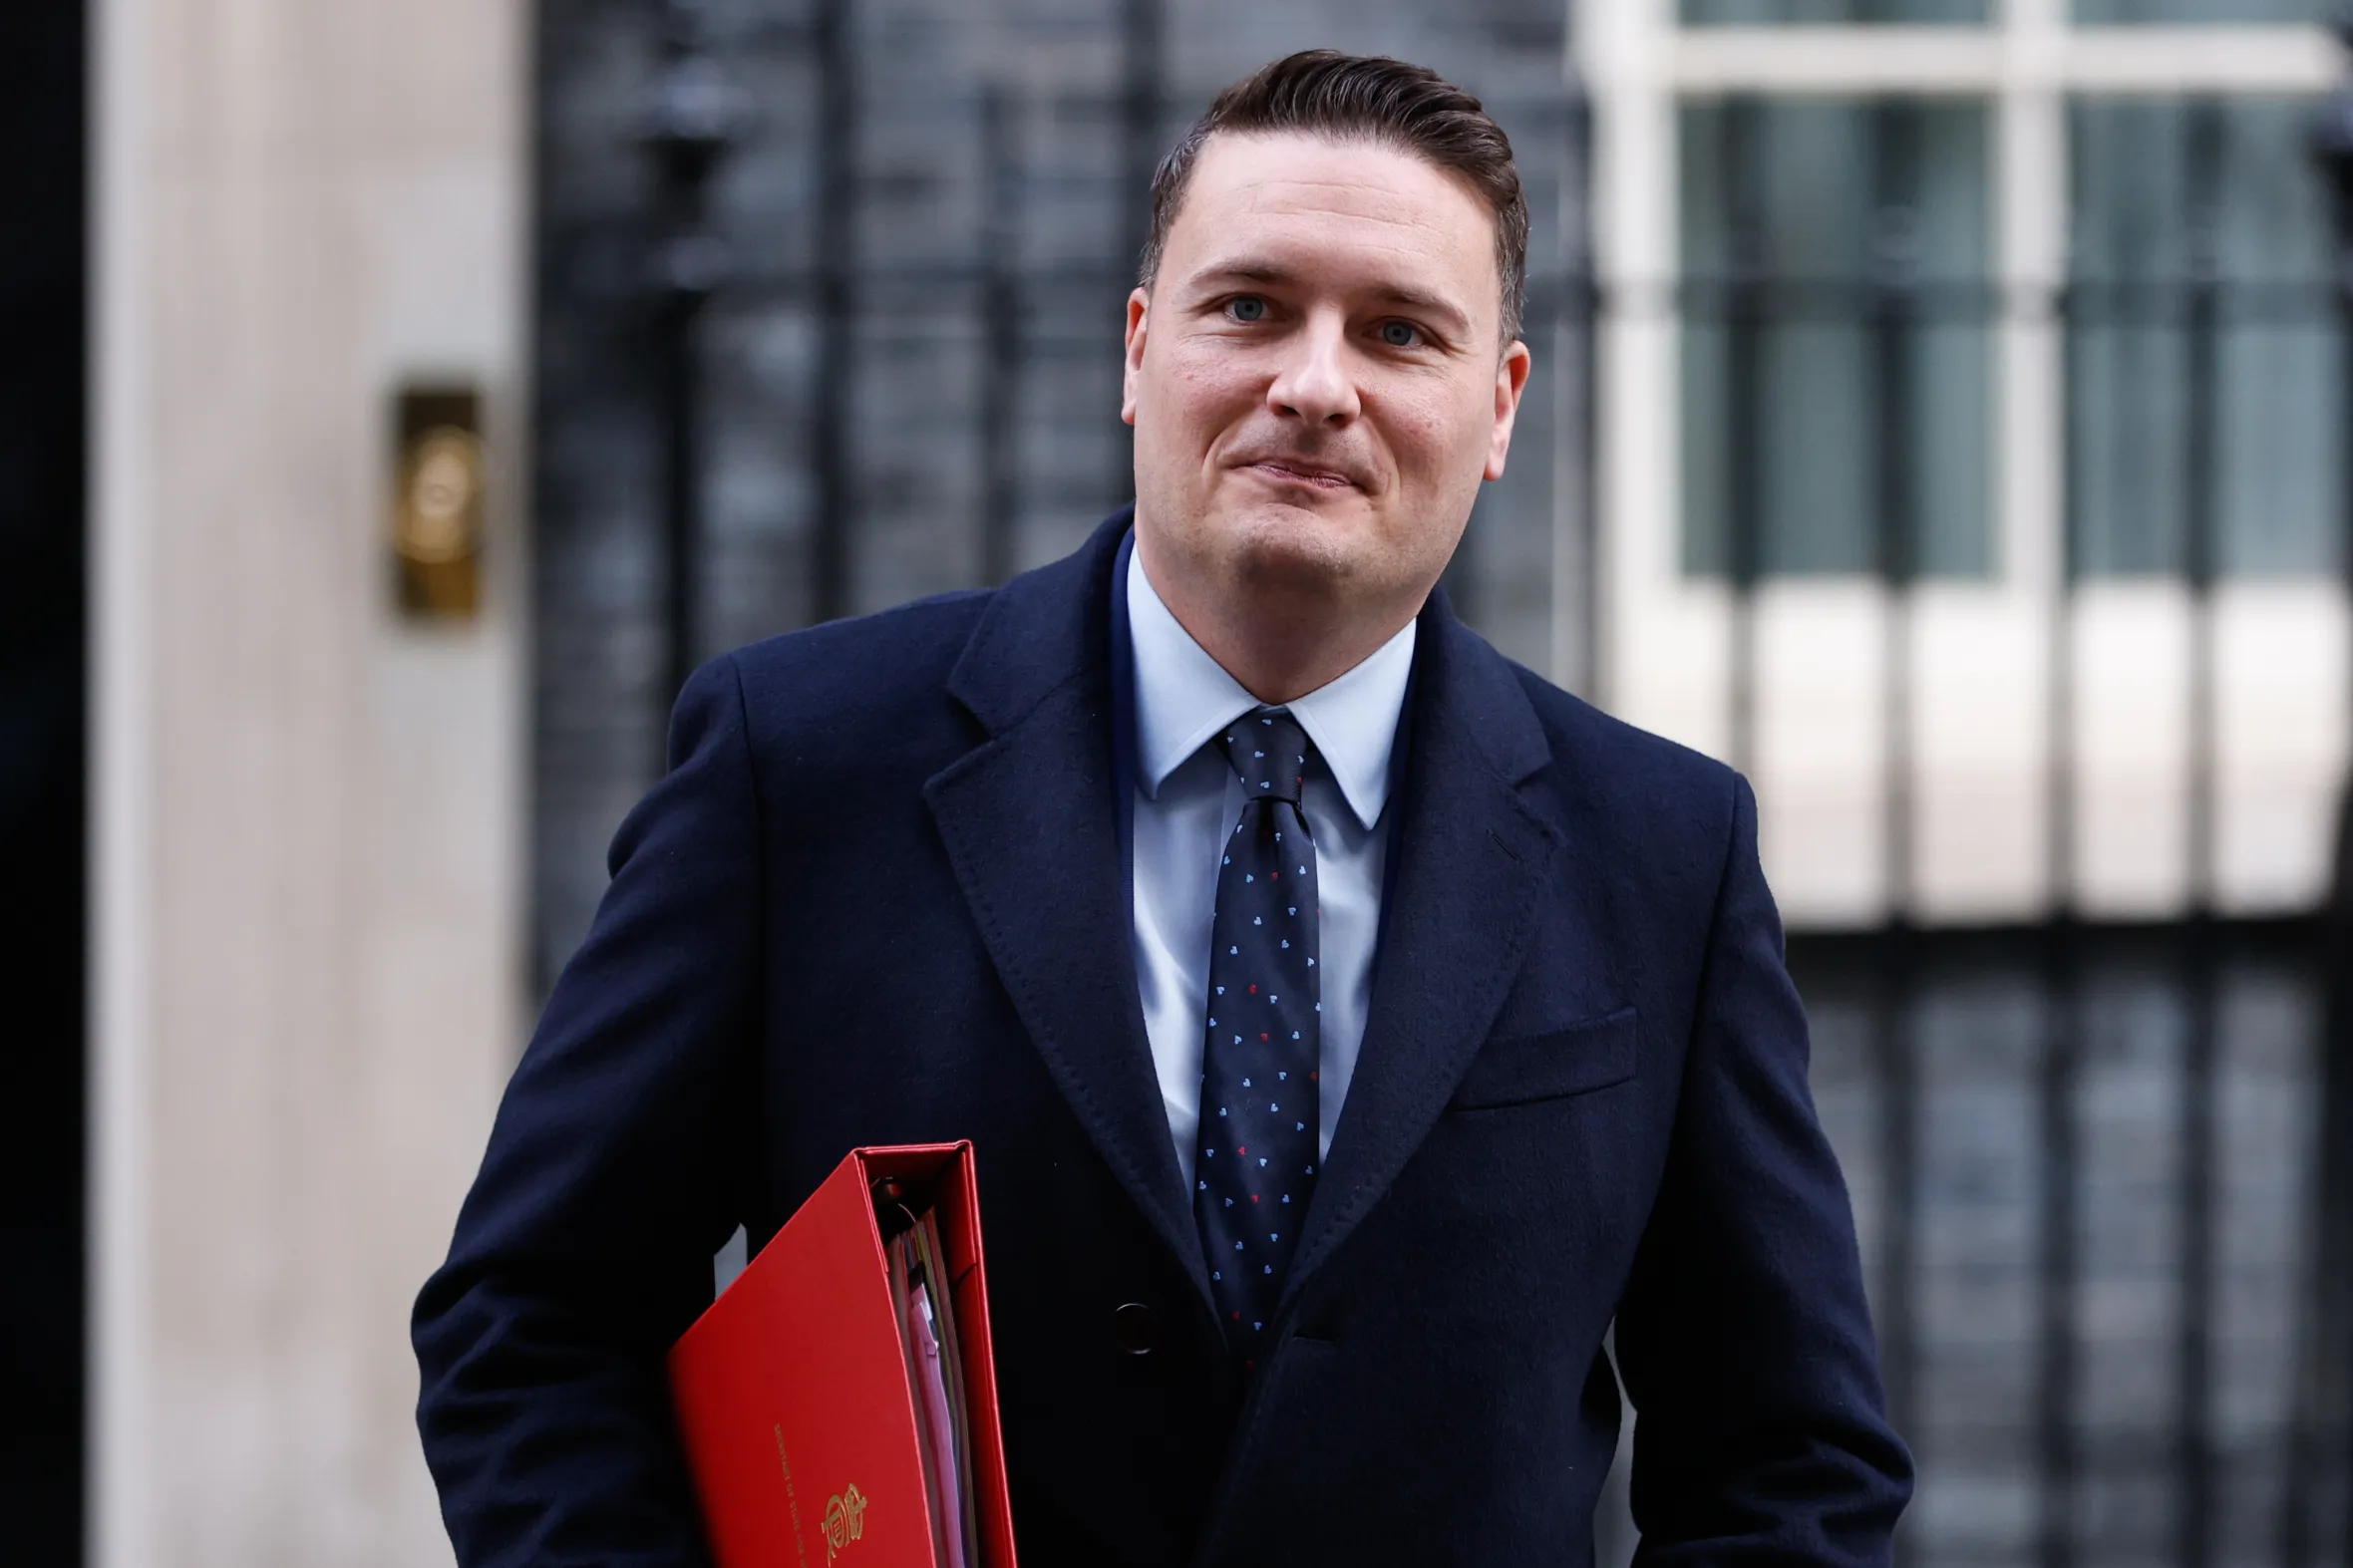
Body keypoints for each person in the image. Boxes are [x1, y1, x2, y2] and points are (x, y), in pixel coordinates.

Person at [413, 49, 1911, 1567]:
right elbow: (534, 1322)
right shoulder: (798, 767)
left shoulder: (1665, 849)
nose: (1315, 385)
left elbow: (1791, 1460)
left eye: (1398, 331)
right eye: (1251, 306)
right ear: (1139, 349)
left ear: (1500, 404)